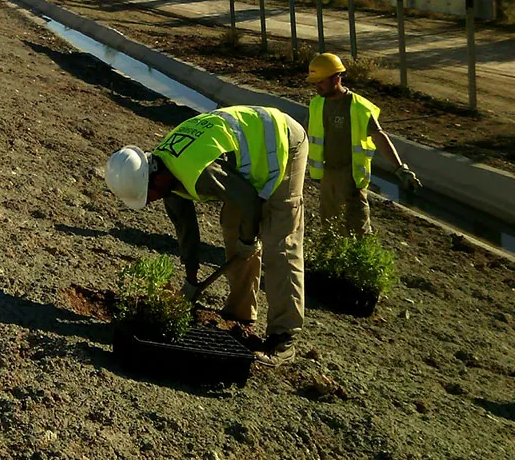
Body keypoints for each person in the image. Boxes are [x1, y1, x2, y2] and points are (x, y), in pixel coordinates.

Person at [105, 105, 307, 368]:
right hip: (246, 161)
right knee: (232, 227)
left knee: (279, 243)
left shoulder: (199, 172)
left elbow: (249, 203)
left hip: (283, 142)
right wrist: (190, 279)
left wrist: (248, 240)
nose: (152, 200)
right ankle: (240, 314)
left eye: (149, 195)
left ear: (154, 178)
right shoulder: (163, 173)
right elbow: (186, 229)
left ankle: (284, 339)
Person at [306, 53, 422, 237]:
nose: (316, 86)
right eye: (315, 82)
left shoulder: (358, 108)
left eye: (321, 81)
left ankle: (358, 260)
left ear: (336, 78)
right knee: (329, 228)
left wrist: (400, 169)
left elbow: (379, 137)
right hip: (327, 176)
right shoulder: (316, 104)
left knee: (357, 229)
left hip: (351, 179)